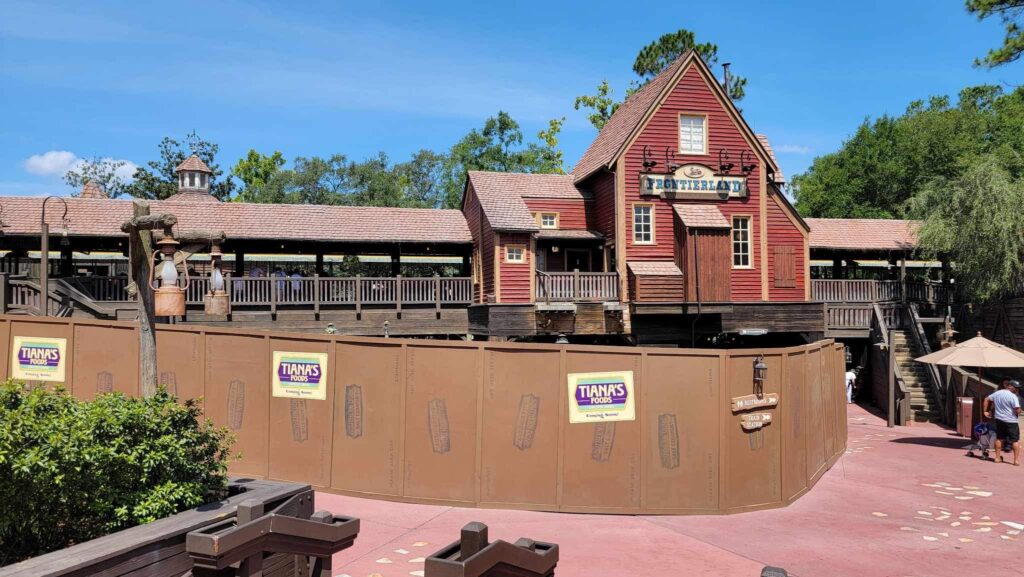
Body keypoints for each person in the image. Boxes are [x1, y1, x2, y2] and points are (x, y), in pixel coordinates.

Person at [983, 379, 1022, 465]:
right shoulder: (1013, 396)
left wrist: (985, 411)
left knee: (1000, 438)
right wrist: (1020, 410)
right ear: (1010, 386)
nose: (1017, 389)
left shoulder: (998, 393)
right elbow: (1017, 410)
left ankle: (997, 458)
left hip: (999, 420)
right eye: (1016, 387)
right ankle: (1015, 460)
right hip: (1011, 421)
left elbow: (986, 399)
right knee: (1015, 440)